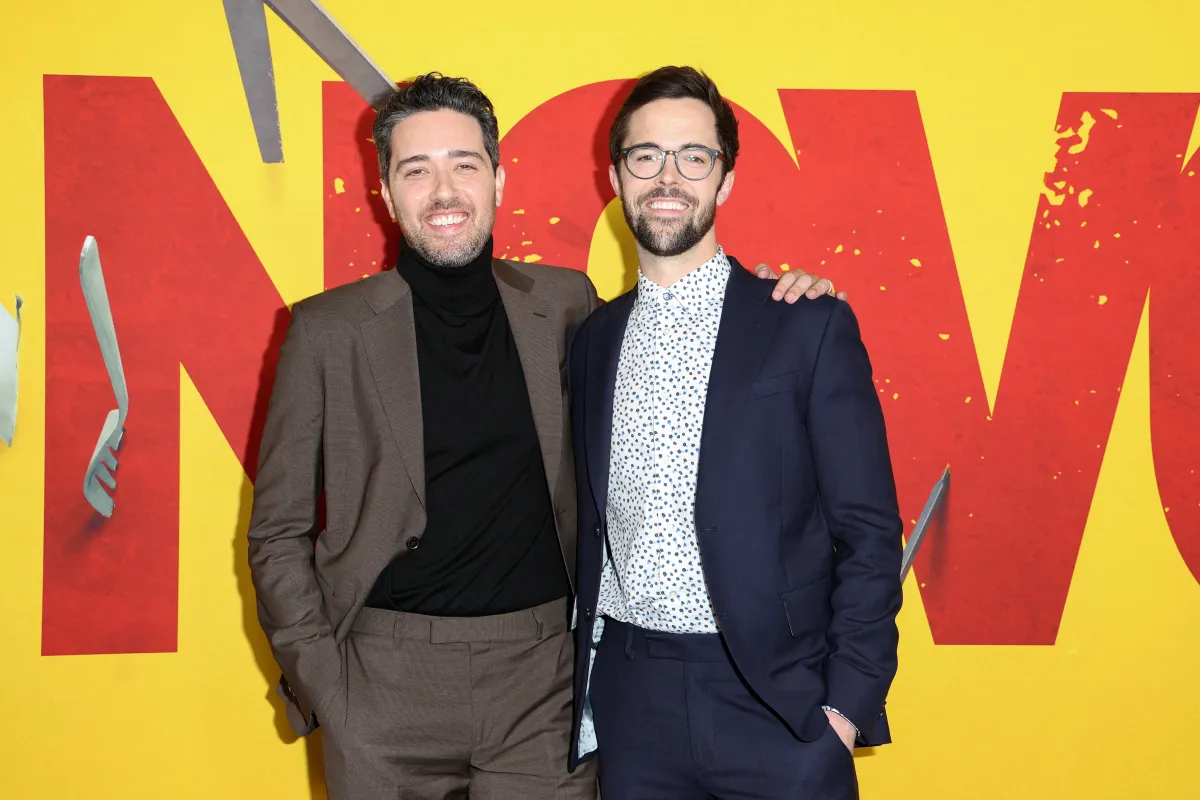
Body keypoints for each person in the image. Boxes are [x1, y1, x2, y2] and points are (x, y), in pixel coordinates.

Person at [246, 71, 838, 799]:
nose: (444, 191)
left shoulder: (565, 305)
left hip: (540, 682)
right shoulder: (325, 331)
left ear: (497, 178)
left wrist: (784, 297)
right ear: (385, 189)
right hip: (381, 678)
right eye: (416, 169)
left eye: (464, 164)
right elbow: (276, 531)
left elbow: (684, 331)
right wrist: (328, 684)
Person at [566, 65, 904, 800]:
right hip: (633, 698)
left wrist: (843, 709)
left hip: (778, 705)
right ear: (617, 177)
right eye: (645, 156)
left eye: (694, 156)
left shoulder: (804, 323)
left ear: (725, 182)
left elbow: (870, 532)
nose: (668, 176)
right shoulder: (592, 341)